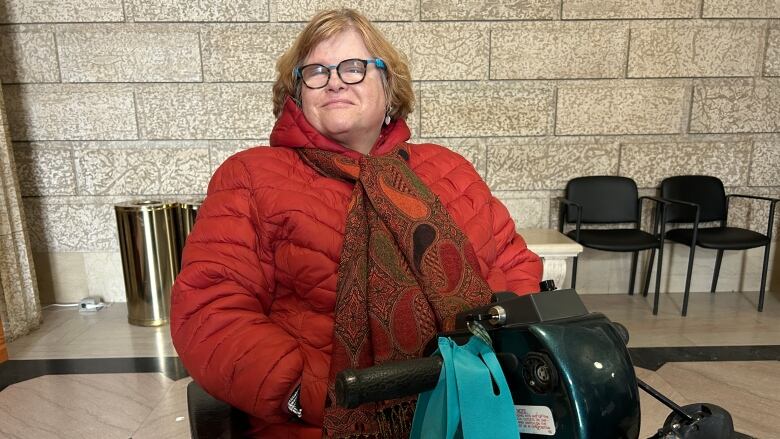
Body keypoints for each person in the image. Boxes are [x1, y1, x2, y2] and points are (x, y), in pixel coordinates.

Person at [171, 8, 542, 439]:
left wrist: (503, 364)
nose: (334, 80)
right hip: (329, 421)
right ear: (296, 94)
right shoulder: (251, 176)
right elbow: (209, 311)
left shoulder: (449, 169)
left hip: (475, 406)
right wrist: (307, 395)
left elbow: (515, 266)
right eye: (315, 71)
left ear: (389, 86)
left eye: (354, 67)